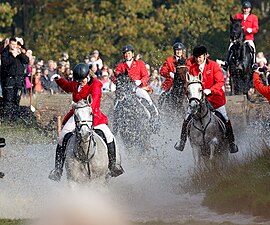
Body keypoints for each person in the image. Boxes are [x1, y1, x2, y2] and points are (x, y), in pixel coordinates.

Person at [48, 63, 124, 182]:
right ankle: (58, 170)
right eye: (78, 81)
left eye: (82, 80)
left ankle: (113, 165)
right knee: (62, 136)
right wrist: (59, 79)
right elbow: (68, 87)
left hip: (93, 115)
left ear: (87, 76)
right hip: (77, 115)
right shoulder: (76, 83)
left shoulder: (96, 84)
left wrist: (87, 110)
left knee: (109, 136)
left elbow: (94, 99)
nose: (80, 83)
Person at [174, 45, 239, 154]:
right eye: (196, 57)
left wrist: (210, 90)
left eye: (200, 57)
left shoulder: (214, 66)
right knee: (187, 118)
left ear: (205, 56)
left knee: (225, 118)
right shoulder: (193, 68)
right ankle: (182, 141)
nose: (198, 60)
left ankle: (232, 143)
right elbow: (188, 84)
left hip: (215, 99)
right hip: (198, 101)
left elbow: (220, 82)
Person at [114, 45, 159, 126]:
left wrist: (140, 81)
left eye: (129, 53)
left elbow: (146, 76)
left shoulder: (140, 63)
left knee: (146, 97)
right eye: (125, 54)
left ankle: (154, 115)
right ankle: (115, 125)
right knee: (116, 105)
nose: (127, 55)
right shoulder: (120, 66)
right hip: (125, 90)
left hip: (138, 87)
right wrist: (119, 80)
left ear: (133, 54)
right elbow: (115, 78)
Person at [1, 37, 29, 120]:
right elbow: (5, 63)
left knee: (17, 99)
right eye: (12, 44)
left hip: (19, 79)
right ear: (9, 44)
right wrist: (13, 56)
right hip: (9, 79)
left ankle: (14, 118)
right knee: (8, 99)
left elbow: (26, 60)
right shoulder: (5, 52)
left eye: (15, 44)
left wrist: (19, 54)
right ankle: (6, 118)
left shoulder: (19, 51)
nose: (14, 46)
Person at [227, 1, 259, 66]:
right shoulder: (237, 16)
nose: (245, 10)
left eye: (247, 8)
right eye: (244, 8)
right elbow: (234, 27)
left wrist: (251, 30)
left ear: (250, 9)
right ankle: (227, 62)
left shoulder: (253, 17)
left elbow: (256, 28)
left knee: (253, 48)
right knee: (230, 47)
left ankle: (254, 64)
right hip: (238, 39)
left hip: (248, 38)